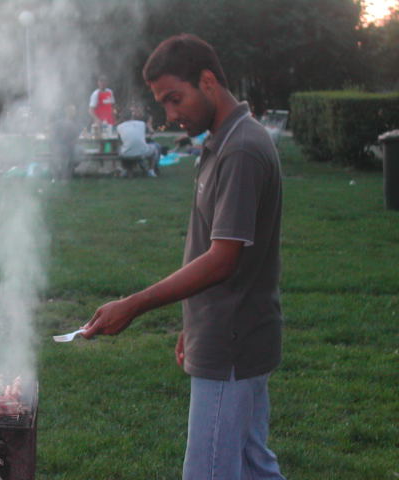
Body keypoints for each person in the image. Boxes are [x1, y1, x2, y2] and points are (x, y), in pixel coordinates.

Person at [82, 33, 285, 480]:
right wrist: (194, 323)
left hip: (233, 341)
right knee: (253, 466)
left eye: (175, 99)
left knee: (210, 472)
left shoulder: (241, 149)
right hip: (229, 333)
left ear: (208, 81)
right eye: (163, 104)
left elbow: (223, 259)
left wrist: (133, 305)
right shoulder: (223, 141)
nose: (171, 115)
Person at [116, 104, 161, 177]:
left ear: (122, 117)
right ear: (132, 116)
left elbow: (120, 140)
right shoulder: (141, 124)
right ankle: (151, 170)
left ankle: (126, 169)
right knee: (155, 147)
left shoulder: (119, 127)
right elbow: (151, 132)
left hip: (126, 154)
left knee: (120, 148)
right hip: (142, 151)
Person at [50, 104, 82, 180]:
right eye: (71, 111)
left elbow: (78, 134)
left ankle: (68, 170)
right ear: (66, 112)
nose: (73, 113)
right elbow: (55, 135)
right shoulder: (60, 122)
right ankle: (66, 173)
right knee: (76, 151)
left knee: (80, 151)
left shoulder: (76, 122)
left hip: (69, 146)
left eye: (74, 111)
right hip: (64, 146)